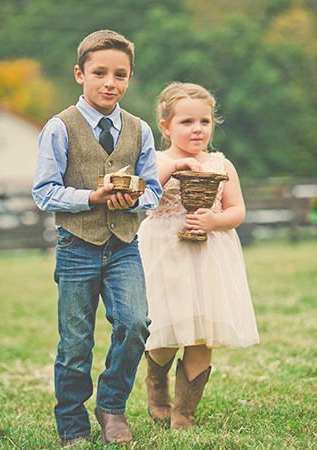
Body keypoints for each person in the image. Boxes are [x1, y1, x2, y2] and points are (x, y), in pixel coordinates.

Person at [32, 30, 162, 446]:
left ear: (129, 78)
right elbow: (44, 191)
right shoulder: (60, 127)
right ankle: (72, 424)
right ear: (79, 74)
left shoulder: (139, 130)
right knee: (75, 344)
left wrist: (132, 200)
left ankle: (111, 406)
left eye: (120, 75)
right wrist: (92, 196)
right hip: (76, 248)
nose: (110, 82)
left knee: (135, 323)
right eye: (100, 73)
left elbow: (155, 190)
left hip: (125, 245)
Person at [138, 82, 259, 430]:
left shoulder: (221, 164)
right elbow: (147, 196)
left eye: (204, 122)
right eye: (186, 122)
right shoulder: (158, 160)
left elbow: (237, 211)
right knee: (165, 331)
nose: (197, 129)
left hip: (209, 258)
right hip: (167, 257)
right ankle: (156, 383)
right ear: (166, 127)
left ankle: (184, 412)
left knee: (203, 333)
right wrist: (177, 168)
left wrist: (214, 220)